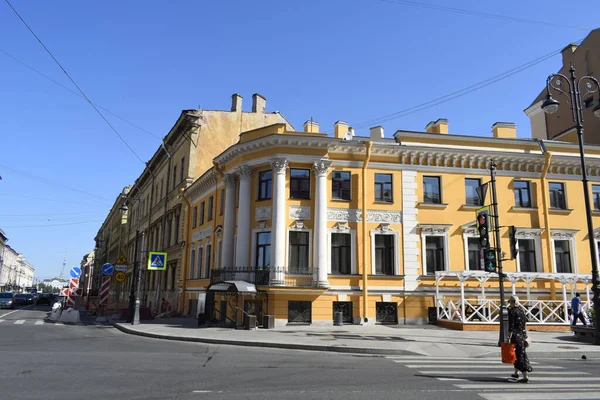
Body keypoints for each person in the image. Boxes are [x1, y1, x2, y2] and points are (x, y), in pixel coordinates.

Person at [508, 295, 532, 383]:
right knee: (519, 353)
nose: (509, 304)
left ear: (513, 302)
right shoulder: (522, 310)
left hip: (515, 336)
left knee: (519, 356)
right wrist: (525, 334)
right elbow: (525, 323)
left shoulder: (512, 311)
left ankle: (525, 376)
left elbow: (511, 325)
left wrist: (508, 337)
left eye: (510, 302)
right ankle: (516, 373)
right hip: (522, 335)